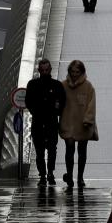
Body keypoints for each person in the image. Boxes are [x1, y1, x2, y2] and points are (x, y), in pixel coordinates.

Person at [25, 58, 66, 186]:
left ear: (50, 70)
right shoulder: (32, 84)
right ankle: (42, 174)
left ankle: (50, 173)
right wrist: (34, 111)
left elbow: (63, 102)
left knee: (52, 150)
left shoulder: (57, 85)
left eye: (46, 70)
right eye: (42, 70)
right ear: (39, 70)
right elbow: (28, 101)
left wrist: (56, 111)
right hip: (38, 122)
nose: (44, 72)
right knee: (40, 151)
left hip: (51, 122)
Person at [58, 60, 98, 190]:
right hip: (68, 121)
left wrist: (88, 120)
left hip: (83, 123)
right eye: (73, 72)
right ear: (69, 72)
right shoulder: (63, 86)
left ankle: (80, 177)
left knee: (82, 150)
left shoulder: (88, 86)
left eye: (77, 72)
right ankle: (69, 175)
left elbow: (91, 105)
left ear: (82, 72)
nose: (75, 75)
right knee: (69, 149)